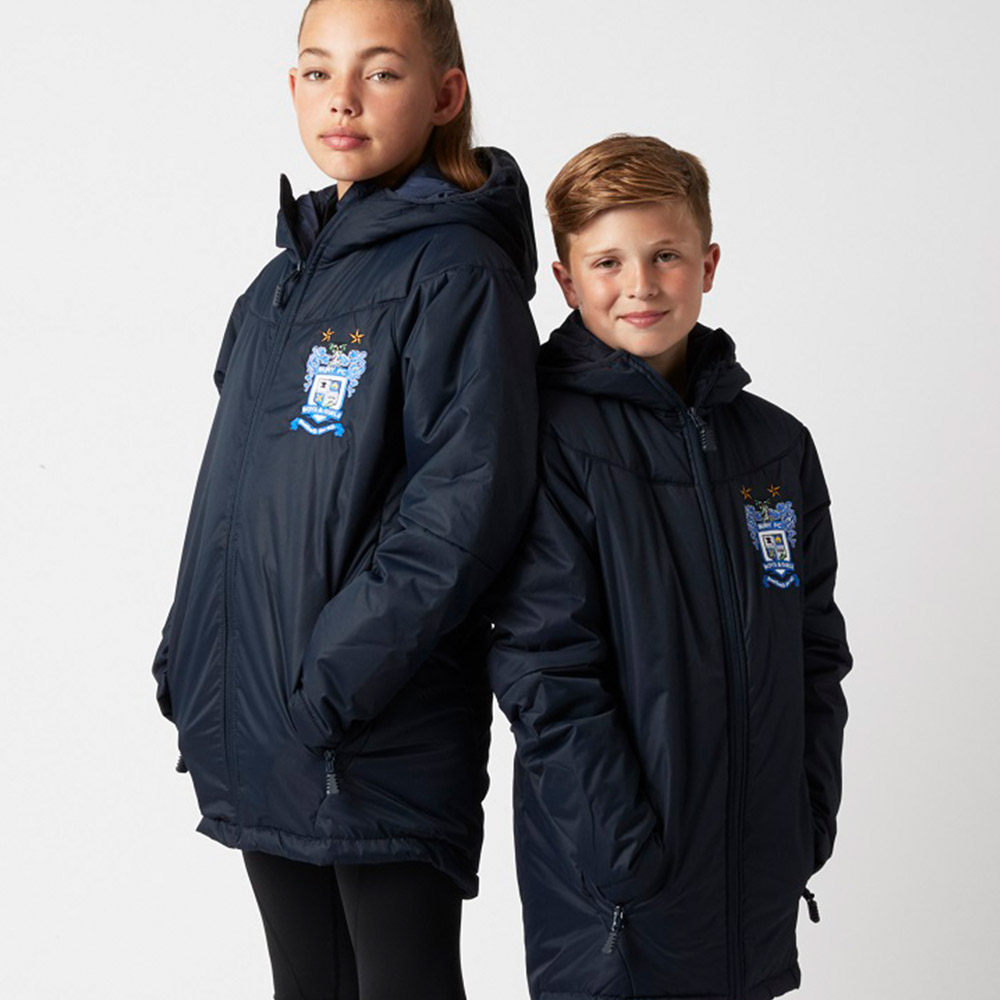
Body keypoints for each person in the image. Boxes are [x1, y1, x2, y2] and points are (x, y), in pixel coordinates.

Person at [151, 1, 538, 997]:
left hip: (372, 728)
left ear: (445, 94)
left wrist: (331, 679)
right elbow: (233, 491)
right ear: (293, 88)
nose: (344, 100)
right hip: (264, 711)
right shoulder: (277, 287)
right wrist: (190, 649)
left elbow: (464, 506)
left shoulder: (458, 273)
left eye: (381, 72)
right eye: (319, 72)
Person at [487, 134, 852, 1000]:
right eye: (608, 262)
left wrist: (805, 817)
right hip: (618, 902)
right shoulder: (544, 437)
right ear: (566, 280)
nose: (642, 285)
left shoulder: (776, 447)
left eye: (665, 256)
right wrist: (626, 854)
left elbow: (815, 648)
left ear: (708, 264)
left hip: (754, 879)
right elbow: (544, 666)